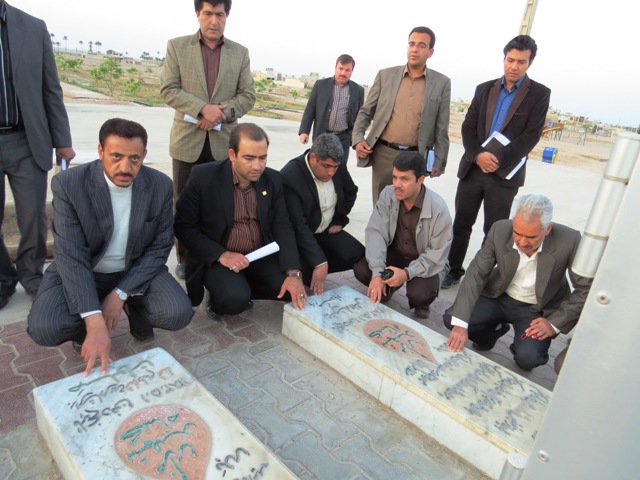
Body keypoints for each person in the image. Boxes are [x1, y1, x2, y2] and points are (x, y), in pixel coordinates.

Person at [27, 119, 194, 376]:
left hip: (132, 270)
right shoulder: (69, 184)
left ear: (144, 155)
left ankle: (135, 310)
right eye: (116, 156)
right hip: (85, 270)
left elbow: (160, 247)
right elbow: (71, 256)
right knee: (46, 329)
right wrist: (94, 321)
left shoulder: (160, 185)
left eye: (134, 158)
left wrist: (120, 294)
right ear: (100, 151)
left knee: (177, 313)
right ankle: (82, 325)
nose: (125, 167)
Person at [442, 35, 551, 289]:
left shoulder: (539, 94)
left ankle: (479, 277)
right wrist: (478, 155)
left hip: (504, 176)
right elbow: (468, 126)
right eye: (510, 60)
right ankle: (453, 269)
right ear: (504, 59)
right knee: (461, 224)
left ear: (530, 63)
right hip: (473, 169)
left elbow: (531, 135)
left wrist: (498, 159)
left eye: (521, 62)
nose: (514, 66)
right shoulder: (484, 89)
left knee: (494, 232)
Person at [160, 0, 256, 279]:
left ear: (227, 16)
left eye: (220, 14)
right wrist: (202, 109)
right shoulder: (177, 46)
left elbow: (248, 95)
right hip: (186, 142)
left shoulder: (240, 53)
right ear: (198, 14)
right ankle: (184, 257)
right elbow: (168, 89)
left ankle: (214, 256)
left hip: (223, 143)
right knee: (183, 203)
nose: (214, 21)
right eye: (208, 14)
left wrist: (219, 114)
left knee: (219, 204)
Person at [444, 194, 591, 371]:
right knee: (454, 319)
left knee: (528, 359)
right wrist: (461, 325)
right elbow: (476, 273)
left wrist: (553, 324)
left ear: (547, 229)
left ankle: (520, 346)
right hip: (498, 296)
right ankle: (491, 334)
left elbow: (585, 289)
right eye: (517, 233)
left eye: (531, 237)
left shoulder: (570, 241)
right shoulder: (500, 230)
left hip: (536, 310)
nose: (522, 242)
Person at [174, 123, 306, 320]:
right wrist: (222, 254)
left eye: (262, 158)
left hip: (259, 254)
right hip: (220, 258)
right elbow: (183, 226)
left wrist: (293, 273)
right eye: (249, 158)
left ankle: (243, 286)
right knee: (234, 300)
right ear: (232, 155)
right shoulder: (204, 177)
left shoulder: (273, 179)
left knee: (293, 288)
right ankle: (218, 299)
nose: (257, 166)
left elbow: (282, 226)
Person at [0, 1, 75, 310]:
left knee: (32, 216)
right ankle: (2, 280)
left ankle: (32, 276)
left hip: (26, 139)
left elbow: (50, 89)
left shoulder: (32, 27)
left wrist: (62, 140)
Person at [352, 26, 450, 204]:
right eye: (411, 44)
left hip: (416, 157)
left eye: (421, 45)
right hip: (384, 155)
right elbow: (366, 111)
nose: (415, 49)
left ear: (431, 52)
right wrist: (358, 139)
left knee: (408, 209)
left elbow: (442, 126)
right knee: (381, 207)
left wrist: (439, 161)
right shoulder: (385, 76)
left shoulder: (441, 83)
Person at [354, 152, 452, 318]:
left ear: (420, 180)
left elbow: (436, 256)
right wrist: (377, 273)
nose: (397, 185)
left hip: (426, 262)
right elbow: (376, 233)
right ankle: (386, 289)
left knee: (420, 294)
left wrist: (406, 274)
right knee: (363, 269)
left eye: (404, 179)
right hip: (396, 255)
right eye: (395, 177)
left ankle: (421, 303)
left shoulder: (438, 209)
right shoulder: (388, 194)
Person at [280, 133, 365, 296]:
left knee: (357, 255)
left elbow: (351, 191)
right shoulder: (290, 177)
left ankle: (316, 270)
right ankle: (309, 271)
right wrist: (319, 262)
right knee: (309, 264)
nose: (332, 172)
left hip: (325, 231)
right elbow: (298, 226)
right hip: (299, 237)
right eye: (326, 166)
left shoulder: (336, 165)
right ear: (313, 158)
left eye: (335, 167)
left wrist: (339, 219)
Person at [298, 54, 365, 164]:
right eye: (340, 68)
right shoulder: (321, 85)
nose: (343, 73)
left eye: (347, 70)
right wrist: (304, 131)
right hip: (321, 135)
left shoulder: (358, 90)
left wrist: (358, 141)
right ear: (335, 68)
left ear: (352, 71)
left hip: (343, 139)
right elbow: (310, 109)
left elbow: (360, 118)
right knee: (317, 166)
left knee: (339, 169)